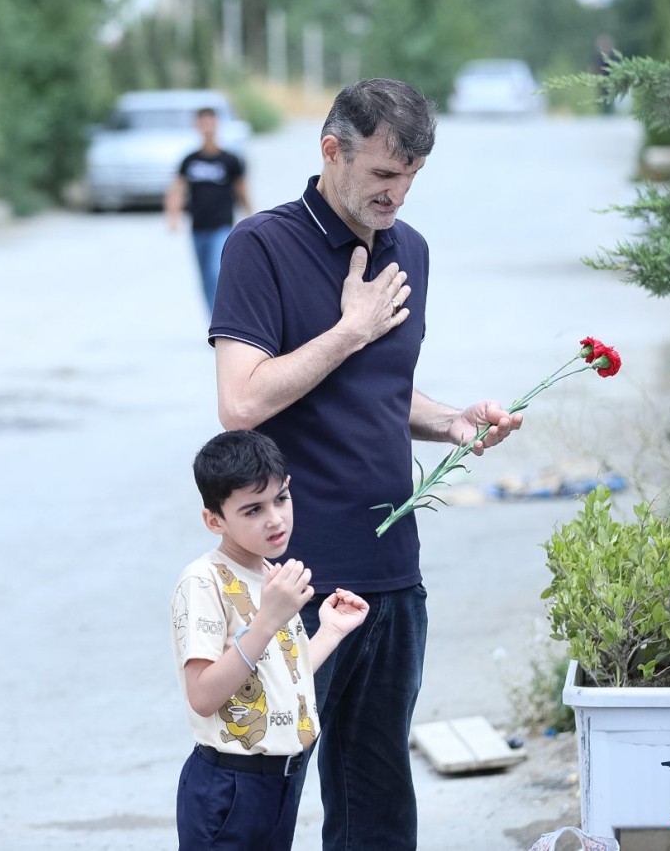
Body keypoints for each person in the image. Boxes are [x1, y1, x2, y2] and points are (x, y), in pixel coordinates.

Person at [209, 78, 524, 850]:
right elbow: (240, 401)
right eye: (385, 174)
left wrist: (451, 421)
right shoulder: (262, 246)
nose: (400, 193)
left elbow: (379, 391)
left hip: (390, 576)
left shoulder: (406, 250)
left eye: (413, 175)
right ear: (332, 151)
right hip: (293, 583)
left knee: (377, 802)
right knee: (262, 798)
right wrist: (349, 329)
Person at [171, 430, 370, 851]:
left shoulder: (268, 574)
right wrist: (268, 620)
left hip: (277, 783)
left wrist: (330, 630)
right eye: (253, 509)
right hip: (229, 786)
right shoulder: (204, 580)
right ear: (214, 520)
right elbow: (203, 695)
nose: (275, 518)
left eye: (281, 499)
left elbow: (278, 676)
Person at [164, 107, 254, 312]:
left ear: (217, 125)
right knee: (205, 276)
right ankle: (213, 321)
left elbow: (241, 189)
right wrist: (173, 217)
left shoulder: (230, 160)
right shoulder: (190, 160)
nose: (206, 127)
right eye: (202, 123)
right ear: (197, 126)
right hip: (198, 226)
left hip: (222, 225)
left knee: (216, 271)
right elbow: (177, 189)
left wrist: (251, 215)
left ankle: (225, 316)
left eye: (210, 122)